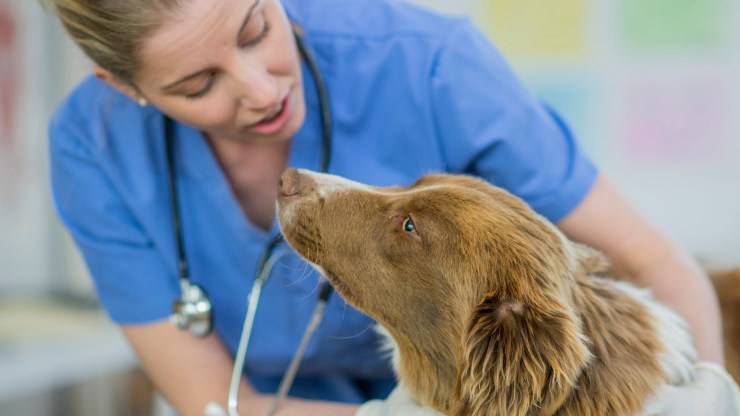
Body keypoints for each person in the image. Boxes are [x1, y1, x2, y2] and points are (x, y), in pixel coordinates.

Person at [46, 0, 732, 415]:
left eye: (255, 29)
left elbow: (648, 258)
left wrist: (707, 393)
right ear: (123, 85)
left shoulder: (428, 63)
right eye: (199, 84)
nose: (260, 90)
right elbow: (221, 404)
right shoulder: (92, 148)